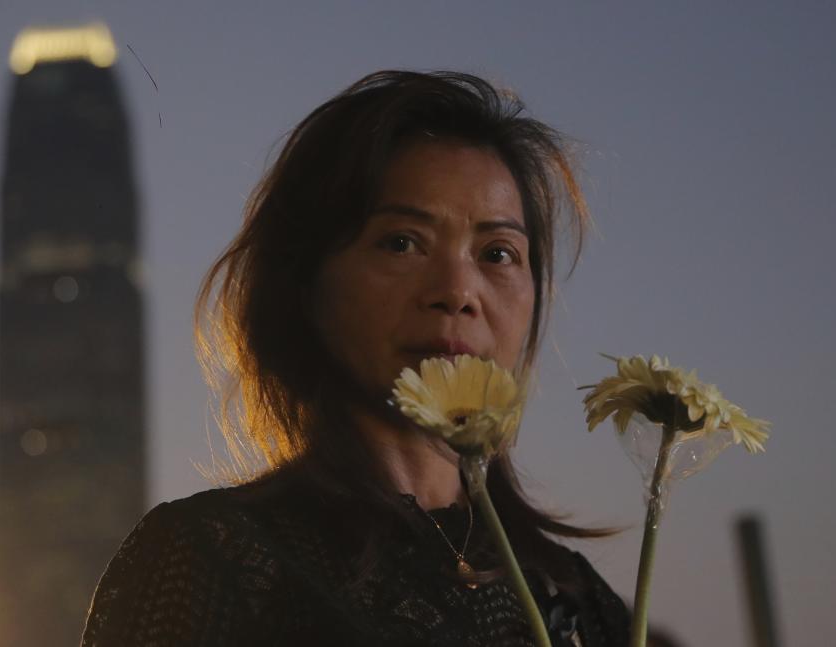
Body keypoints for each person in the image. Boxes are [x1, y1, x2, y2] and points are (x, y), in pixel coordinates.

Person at [80, 70, 630, 646]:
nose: (458, 291)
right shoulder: (214, 557)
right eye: (401, 241)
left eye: (498, 253)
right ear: (306, 282)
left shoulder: (577, 598)